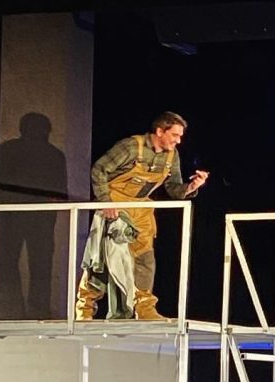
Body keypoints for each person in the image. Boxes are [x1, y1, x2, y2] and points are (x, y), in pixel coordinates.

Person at [75, 111, 209, 320]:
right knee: (103, 258)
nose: (178, 140)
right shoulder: (131, 147)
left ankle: (145, 308)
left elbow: (173, 188)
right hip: (116, 205)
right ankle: (85, 308)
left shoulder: (172, 156)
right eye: (174, 135)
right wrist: (106, 201)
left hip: (142, 208)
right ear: (160, 131)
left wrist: (192, 187)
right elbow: (99, 169)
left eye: (180, 136)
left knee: (145, 259)